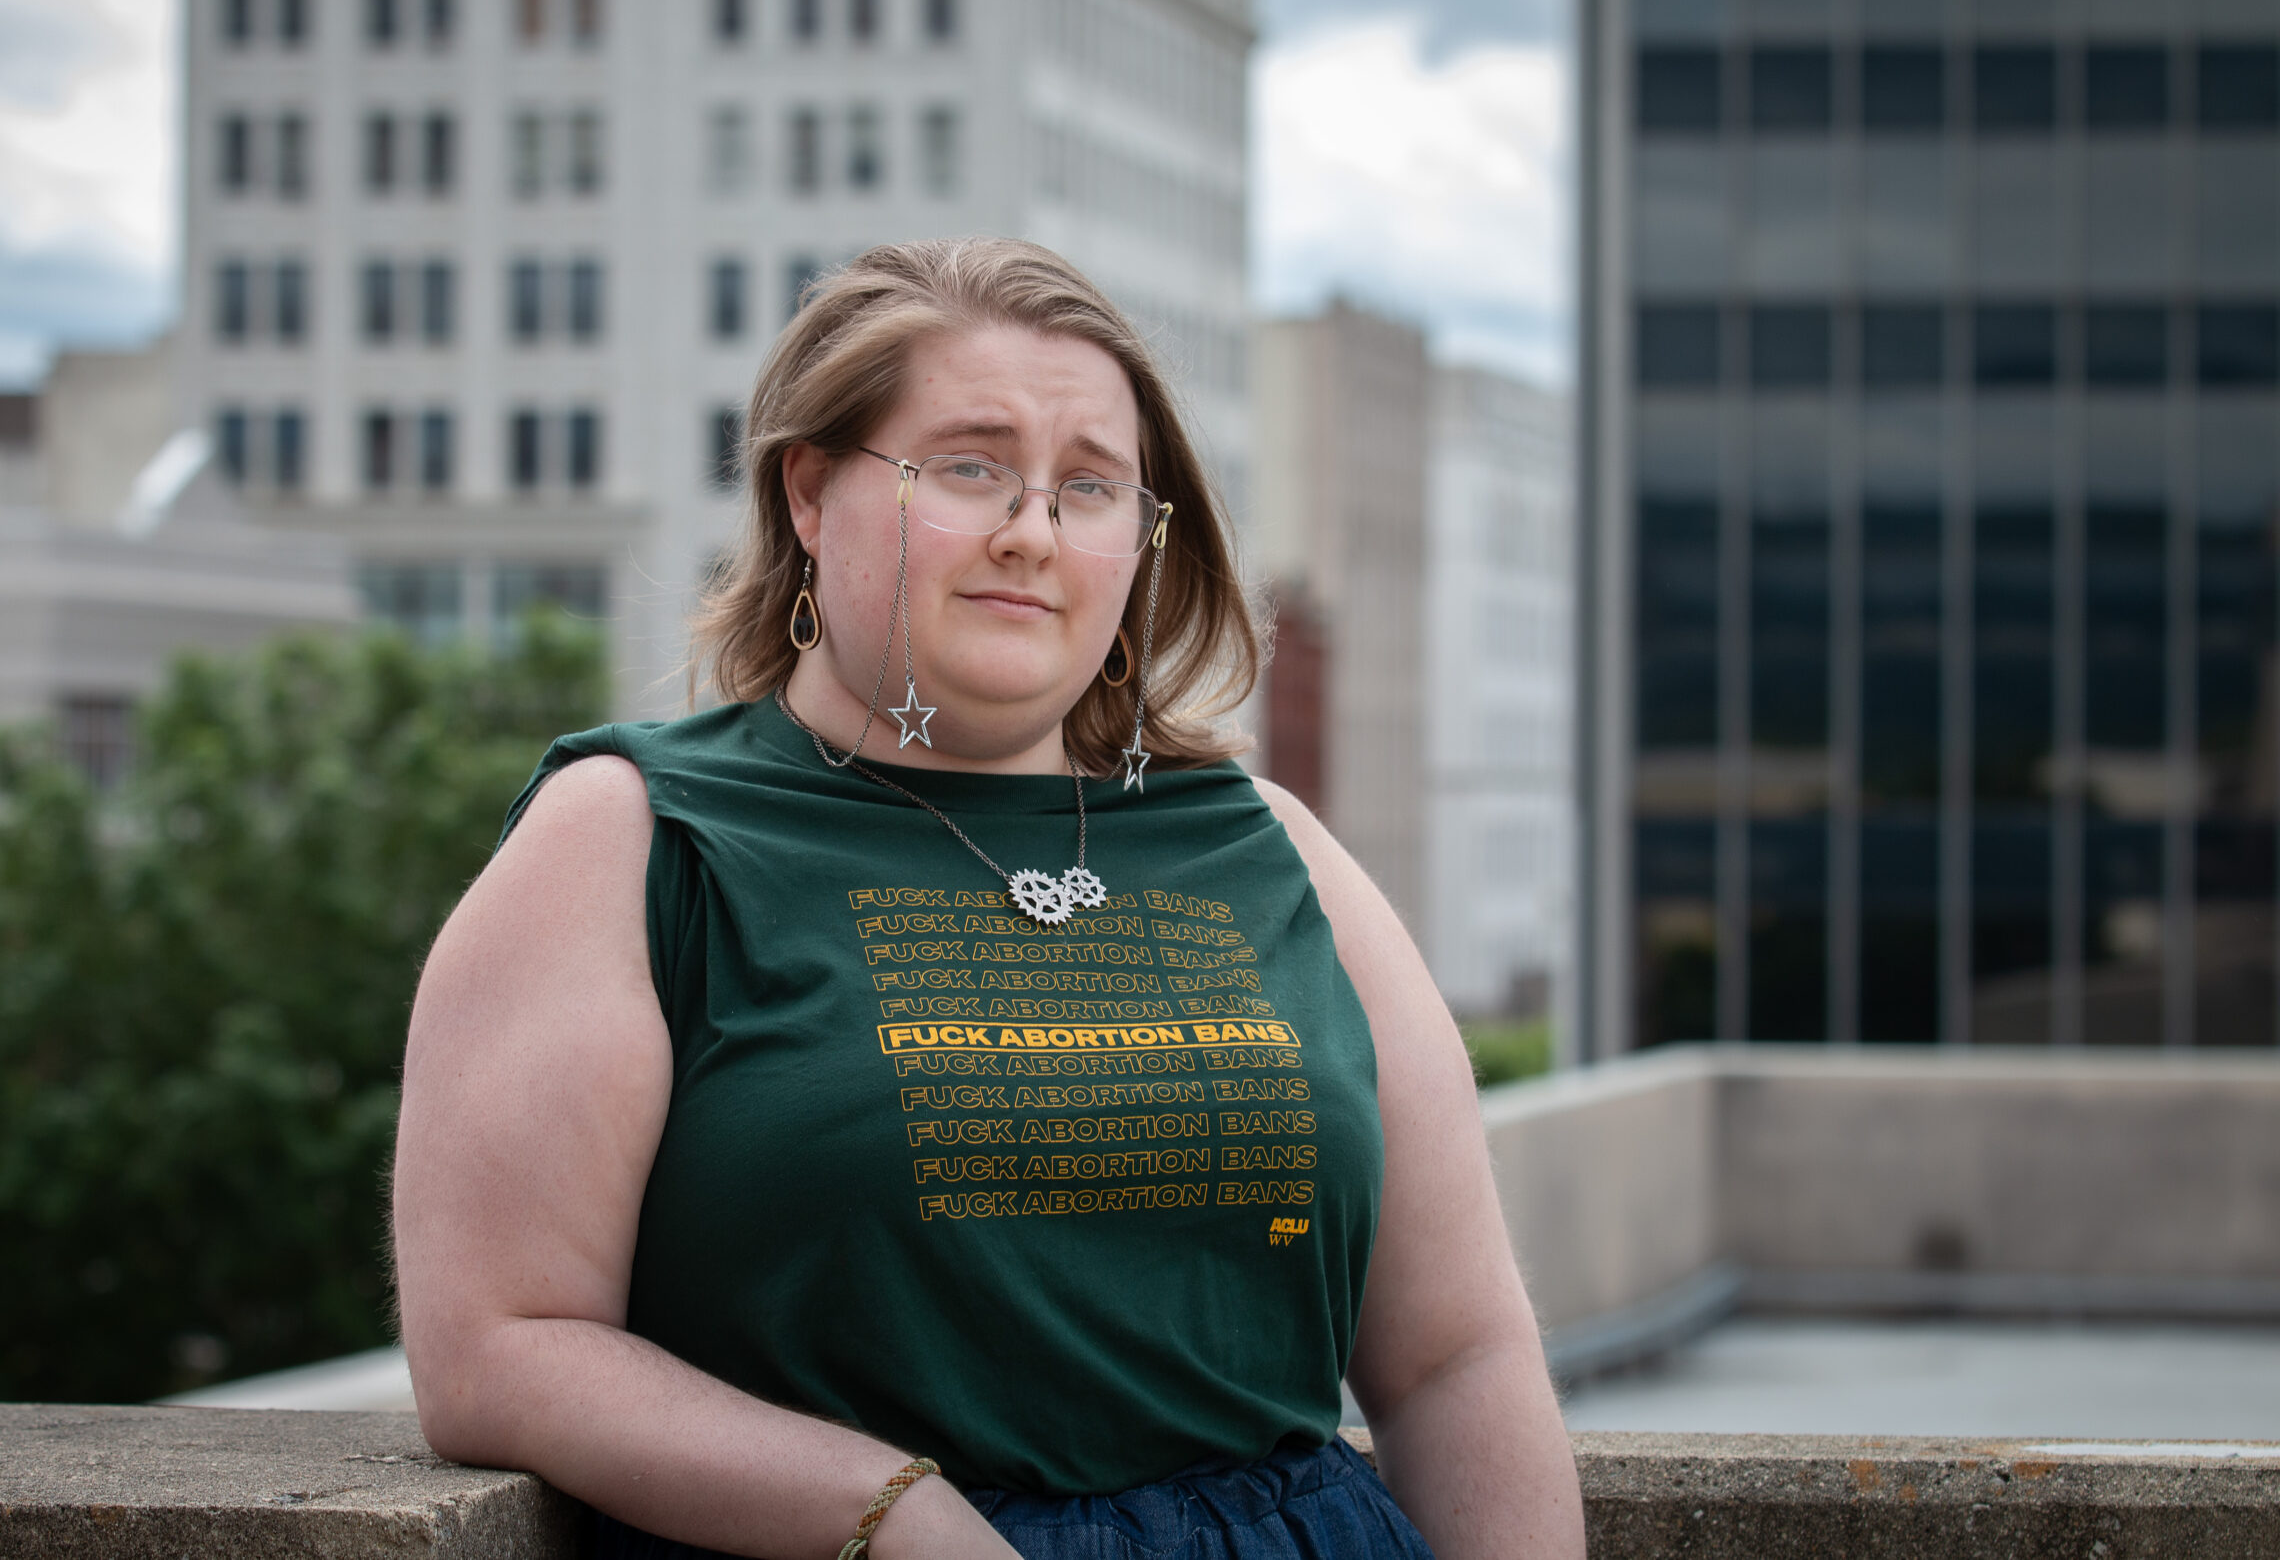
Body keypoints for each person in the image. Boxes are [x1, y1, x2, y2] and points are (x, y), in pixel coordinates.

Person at [392, 238, 1583, 1560]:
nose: (1031, 530)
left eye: (1090, 486)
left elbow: (1456, 1359)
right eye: (969, 468)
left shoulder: (1276, 852)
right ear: (809, 492)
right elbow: (495, 1347)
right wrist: (888, 1514)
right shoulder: (634, 837)